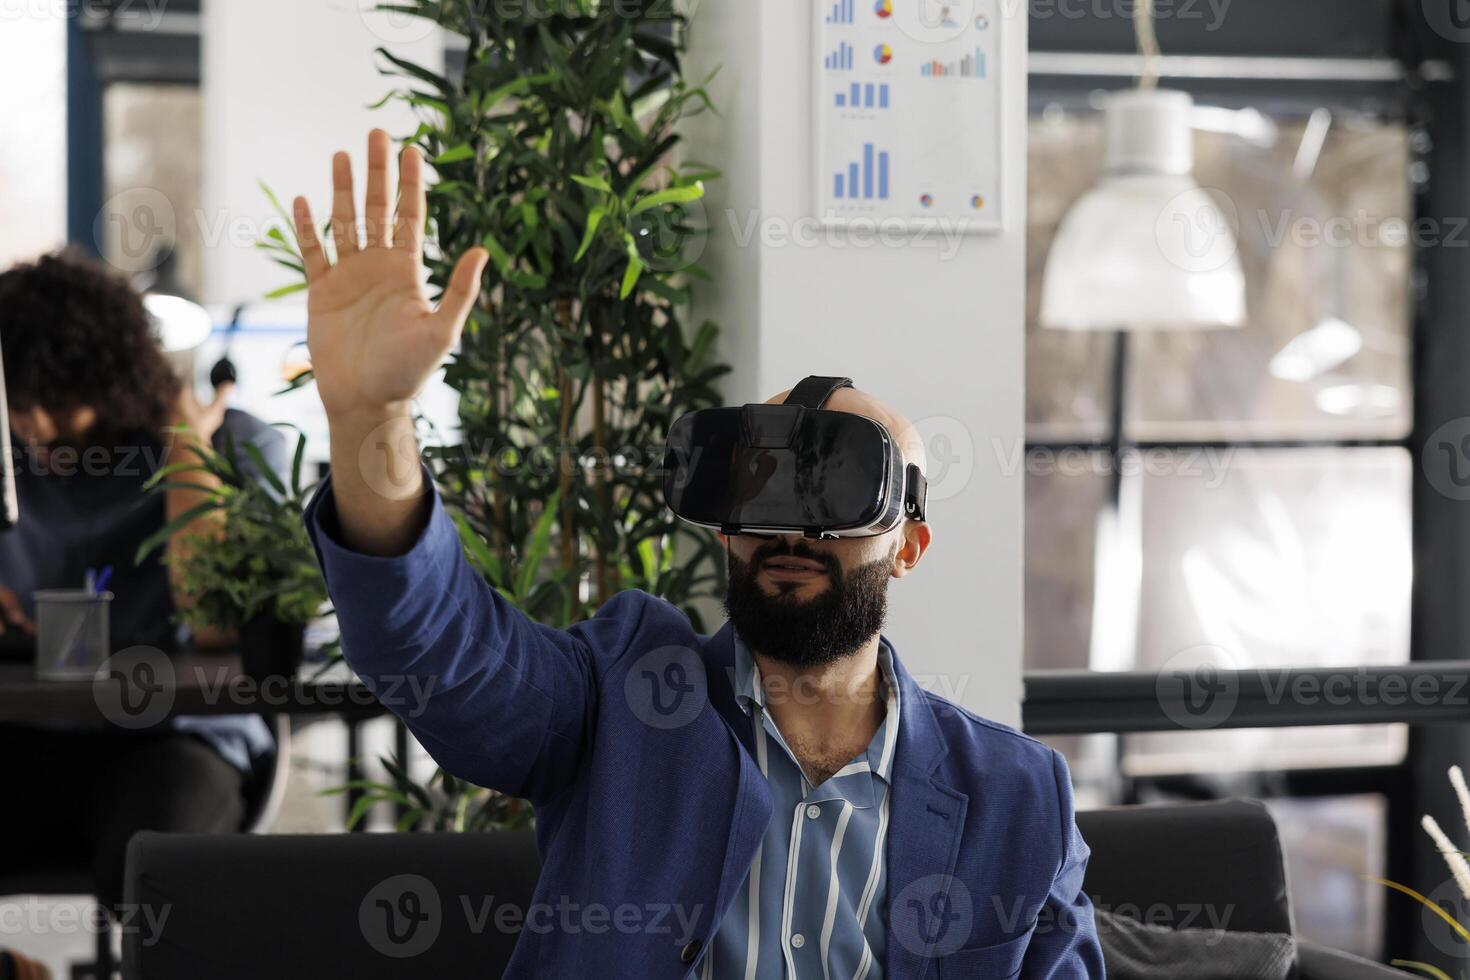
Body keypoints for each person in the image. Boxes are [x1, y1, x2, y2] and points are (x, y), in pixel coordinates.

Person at [295, 130, 1104, 978]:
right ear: (722, 522)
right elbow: (439, 650)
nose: (791, 533)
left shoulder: (1017, 798)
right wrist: (369, 421)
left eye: (835, 496)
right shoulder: (623, 698)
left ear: (909, 546)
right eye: (761, 492)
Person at [0, 251, 279, 977]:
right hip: (24, 734)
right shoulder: (10, 458)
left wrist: (188, 449)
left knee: (161, 870)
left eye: (58, 399)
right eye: (15, 401)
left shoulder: (233, 445)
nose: (35, 427)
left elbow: (219, 622)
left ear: (112, 378)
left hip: (171, 738)